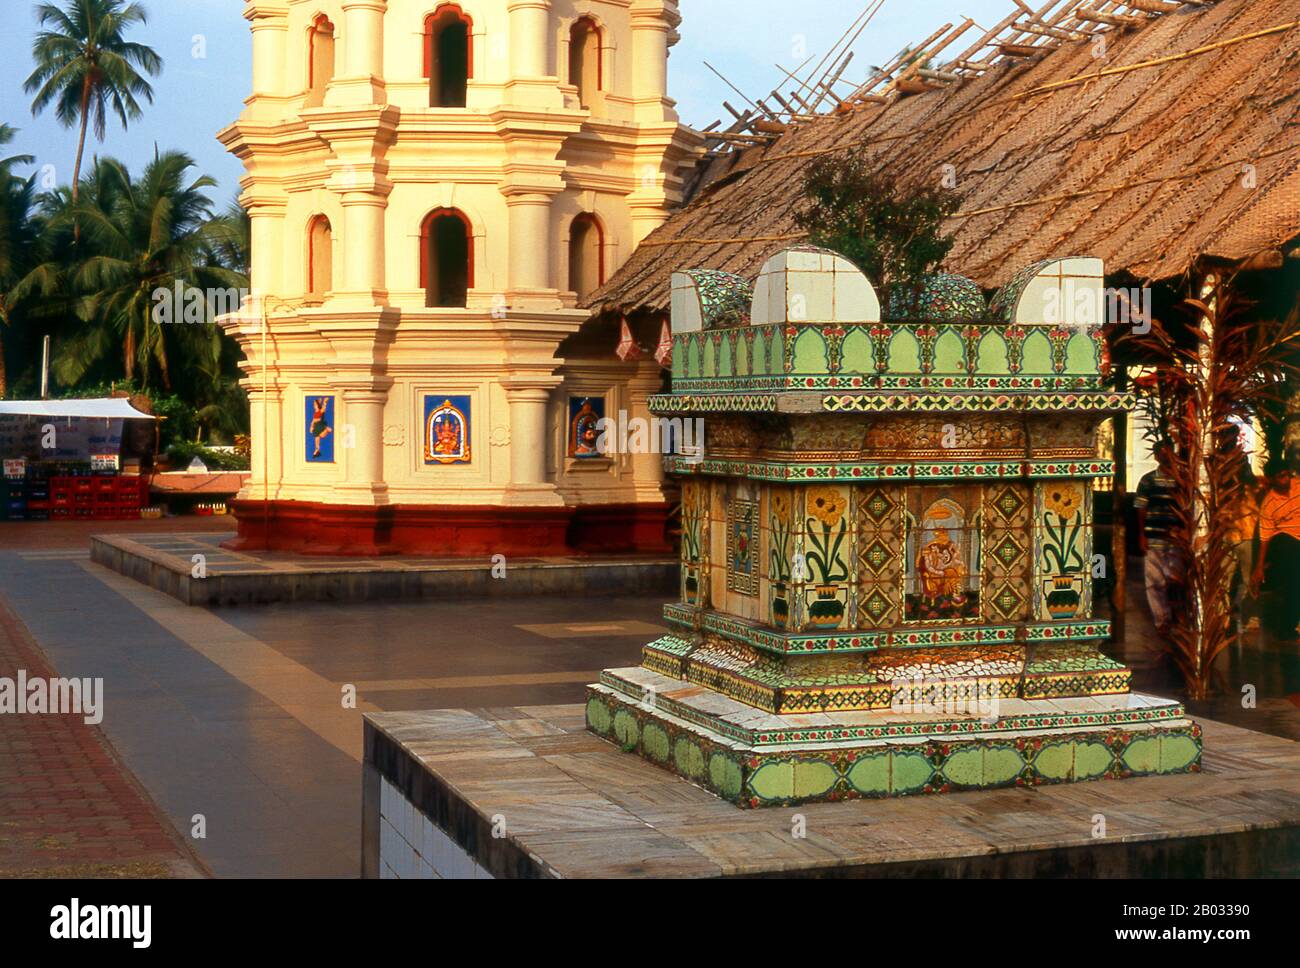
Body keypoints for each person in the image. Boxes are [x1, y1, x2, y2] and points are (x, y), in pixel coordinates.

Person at [1135, 440, 1185, 638]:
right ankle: (1162, 620)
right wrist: (1142, 535)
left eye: (1168, 454)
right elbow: (1141, 508)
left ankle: (1178, 617)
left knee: (1175, 579)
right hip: (1154, 537)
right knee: (1154, 582)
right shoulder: (1147, 480)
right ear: (1156, 457)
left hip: (1175, 539)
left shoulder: (1181, 480)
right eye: (1161, 454)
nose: (1165, 458)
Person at [1252, 450, 1300, 640]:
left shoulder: (1298, 486)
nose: (1285, 479)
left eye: (1287, 474)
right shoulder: (1269, 503)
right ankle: (1286, 627)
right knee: (1292, 583)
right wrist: (1259, 567)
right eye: (1280, 476)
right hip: (1286, 544)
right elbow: (1265, 537)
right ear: (1271, 479)